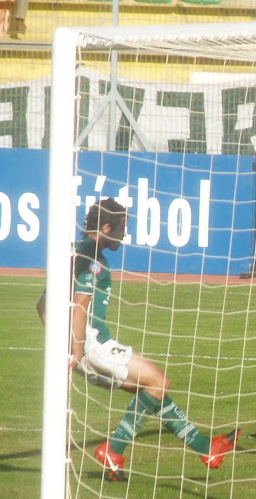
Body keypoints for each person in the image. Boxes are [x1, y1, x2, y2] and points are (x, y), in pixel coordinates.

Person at [37, 198, 240, 481]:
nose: (124, 235)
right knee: (159, 381)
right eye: (121, 228)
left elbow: (42, 305)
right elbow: (81, 305)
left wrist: (60, 344)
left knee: (151, 393)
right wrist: (76, 352)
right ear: (106, 226)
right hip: (92, 346)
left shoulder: (71, 251)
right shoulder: (93, 258)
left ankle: (208, 449)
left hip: (81, 345)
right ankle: (114, 450)